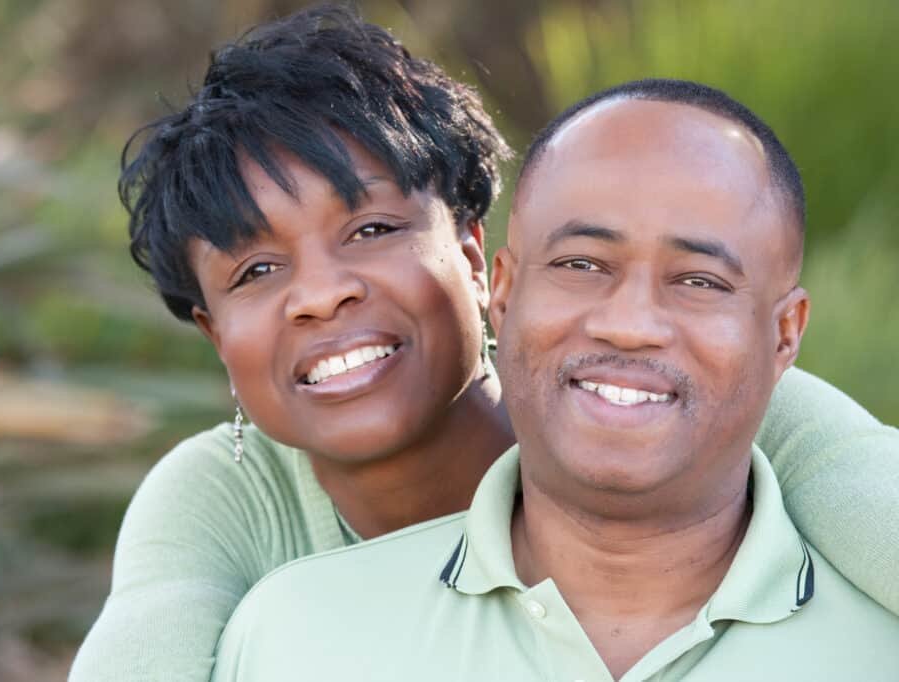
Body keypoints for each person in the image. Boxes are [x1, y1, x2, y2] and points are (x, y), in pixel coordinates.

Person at [69, 7, 899, 680]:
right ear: (214, 335)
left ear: (478, 261)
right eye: (254, 271)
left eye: (372, 227)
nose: (321, 294)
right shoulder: (230, 508)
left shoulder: (677, 395)